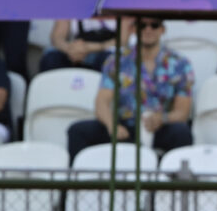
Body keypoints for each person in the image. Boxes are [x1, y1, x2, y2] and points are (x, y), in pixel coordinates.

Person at [67, 18, 194, 161]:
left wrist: (162, 118)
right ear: (133, 29)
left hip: (158, 127)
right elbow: (102, 102)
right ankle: (81, 182)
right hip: (124, 126)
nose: (148, 30)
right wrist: (112, 126)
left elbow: (182, 112)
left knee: (181, 132)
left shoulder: (180, 63)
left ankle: (174, 181)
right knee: (78, 131)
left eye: (154, 25)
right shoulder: (116, 60)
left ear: (162, 29)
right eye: (142, 25)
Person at [39, 19, 132, 74]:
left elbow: (122, 40)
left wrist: (89, 47)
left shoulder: (118, 2)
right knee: (52, 58)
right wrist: (70, 49)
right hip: (75, 51)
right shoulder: (70, 0)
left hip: (105, 50)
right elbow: (57, 37)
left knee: (109, 61)